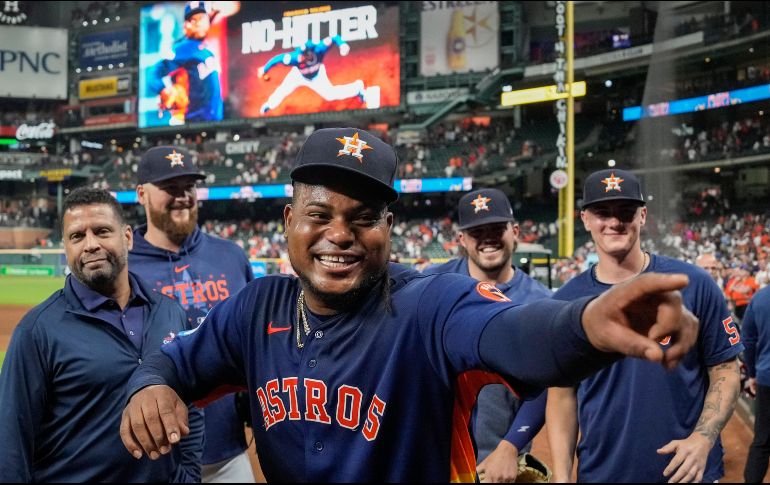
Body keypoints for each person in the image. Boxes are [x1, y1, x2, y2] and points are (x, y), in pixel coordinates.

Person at [119, 128, 699, 482]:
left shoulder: (431, 302)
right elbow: (175, 360)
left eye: (364, 218)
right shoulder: (256, 306)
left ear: (389, 228)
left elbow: (519, 334)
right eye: (320, 215)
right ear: (290, 223)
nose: (340, 234)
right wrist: (150, 382)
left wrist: (585, 324)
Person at [547, 168, 743, 483]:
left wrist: (703, 438)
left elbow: (725, 370)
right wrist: (560, 476)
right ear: (585, 219)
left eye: (626, 211)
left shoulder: (694, 283)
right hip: (603, 472)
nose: (614, 222)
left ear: (643, 216)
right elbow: (561, 396)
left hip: (687, 474)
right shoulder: (565, 302)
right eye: (602, 212)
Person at [0, 187, 203, 482]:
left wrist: (189, 475)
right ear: (66, 247)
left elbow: (191, 403)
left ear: (128, 237)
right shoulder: (37, 330)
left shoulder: (169, 312)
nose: (90, 244)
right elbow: (11, 442)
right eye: (77, 236)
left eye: (102, 231)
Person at [129, 146, 256, 482]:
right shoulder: (124, 267)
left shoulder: (230, 256)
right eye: (170, 188)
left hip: (228, 452)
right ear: (141, 193)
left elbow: (252, 338)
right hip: (153, 458)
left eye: (189, 187)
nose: (183, 197)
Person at [423, 187, 551, 482]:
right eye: (477, 231)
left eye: (497, 228)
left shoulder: (540, 302)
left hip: (496, 462)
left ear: (515, 231)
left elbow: (544, 387)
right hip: (433, 454)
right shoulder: (431, 284)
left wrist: (511, 446)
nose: (488, 238)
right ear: (462, 240)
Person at [147, 1, 223, 125]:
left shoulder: (204, 48)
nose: (198, 23)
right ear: (186, 25)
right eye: (193, 20)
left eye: (201, 18)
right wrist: (162, 89)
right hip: (193, 122)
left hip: (215, 121)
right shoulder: (181, 48)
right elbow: (153, 73)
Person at [258, 36, 371, 115]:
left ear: (311, 52)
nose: (301, 57)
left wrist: (342, 44)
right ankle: (269, 105)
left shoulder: (319, 49)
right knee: (283, 89)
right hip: (298, 75)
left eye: (304, 54)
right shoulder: (294, 58)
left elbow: (334, 37)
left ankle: (357, 88)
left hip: (317, 75)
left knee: (330, 94)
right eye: (301, 54)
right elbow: (277, 59)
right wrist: (265, 69)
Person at [742, 284, 770, 482]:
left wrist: (752, 374)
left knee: (762, 440)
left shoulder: (759, 298)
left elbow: (748, 341)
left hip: (766, 376)